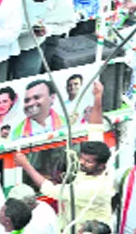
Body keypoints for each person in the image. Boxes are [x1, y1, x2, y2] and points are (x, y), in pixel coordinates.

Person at [15, 81, 113, 230]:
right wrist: (98, 97)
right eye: (82, 158)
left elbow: (50, 190)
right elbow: (96, 129)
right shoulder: (97, 156)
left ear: (101, 166)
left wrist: (25, 165)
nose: (81, 162)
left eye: (88, 162)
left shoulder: (93, 188)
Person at [11, 0, 76, 79]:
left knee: (26, 79)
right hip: (7, 40)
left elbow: (68, 23)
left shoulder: (63, 3)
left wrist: (48, 29)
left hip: (31, 43)